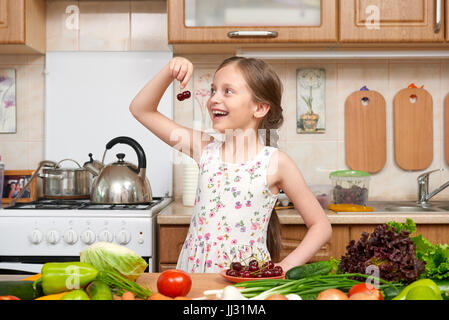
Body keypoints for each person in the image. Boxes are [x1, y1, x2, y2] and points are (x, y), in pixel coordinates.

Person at [129, 56, 332, 273]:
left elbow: (321, 226)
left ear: (260, 108)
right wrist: (169, 70)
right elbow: (141, 109)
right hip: (196, 273)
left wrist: (285, 267)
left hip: (247, 278)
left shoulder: (276, 162)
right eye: (213, 90)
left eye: (227, 91)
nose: (214, 98)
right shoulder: (205, 148)